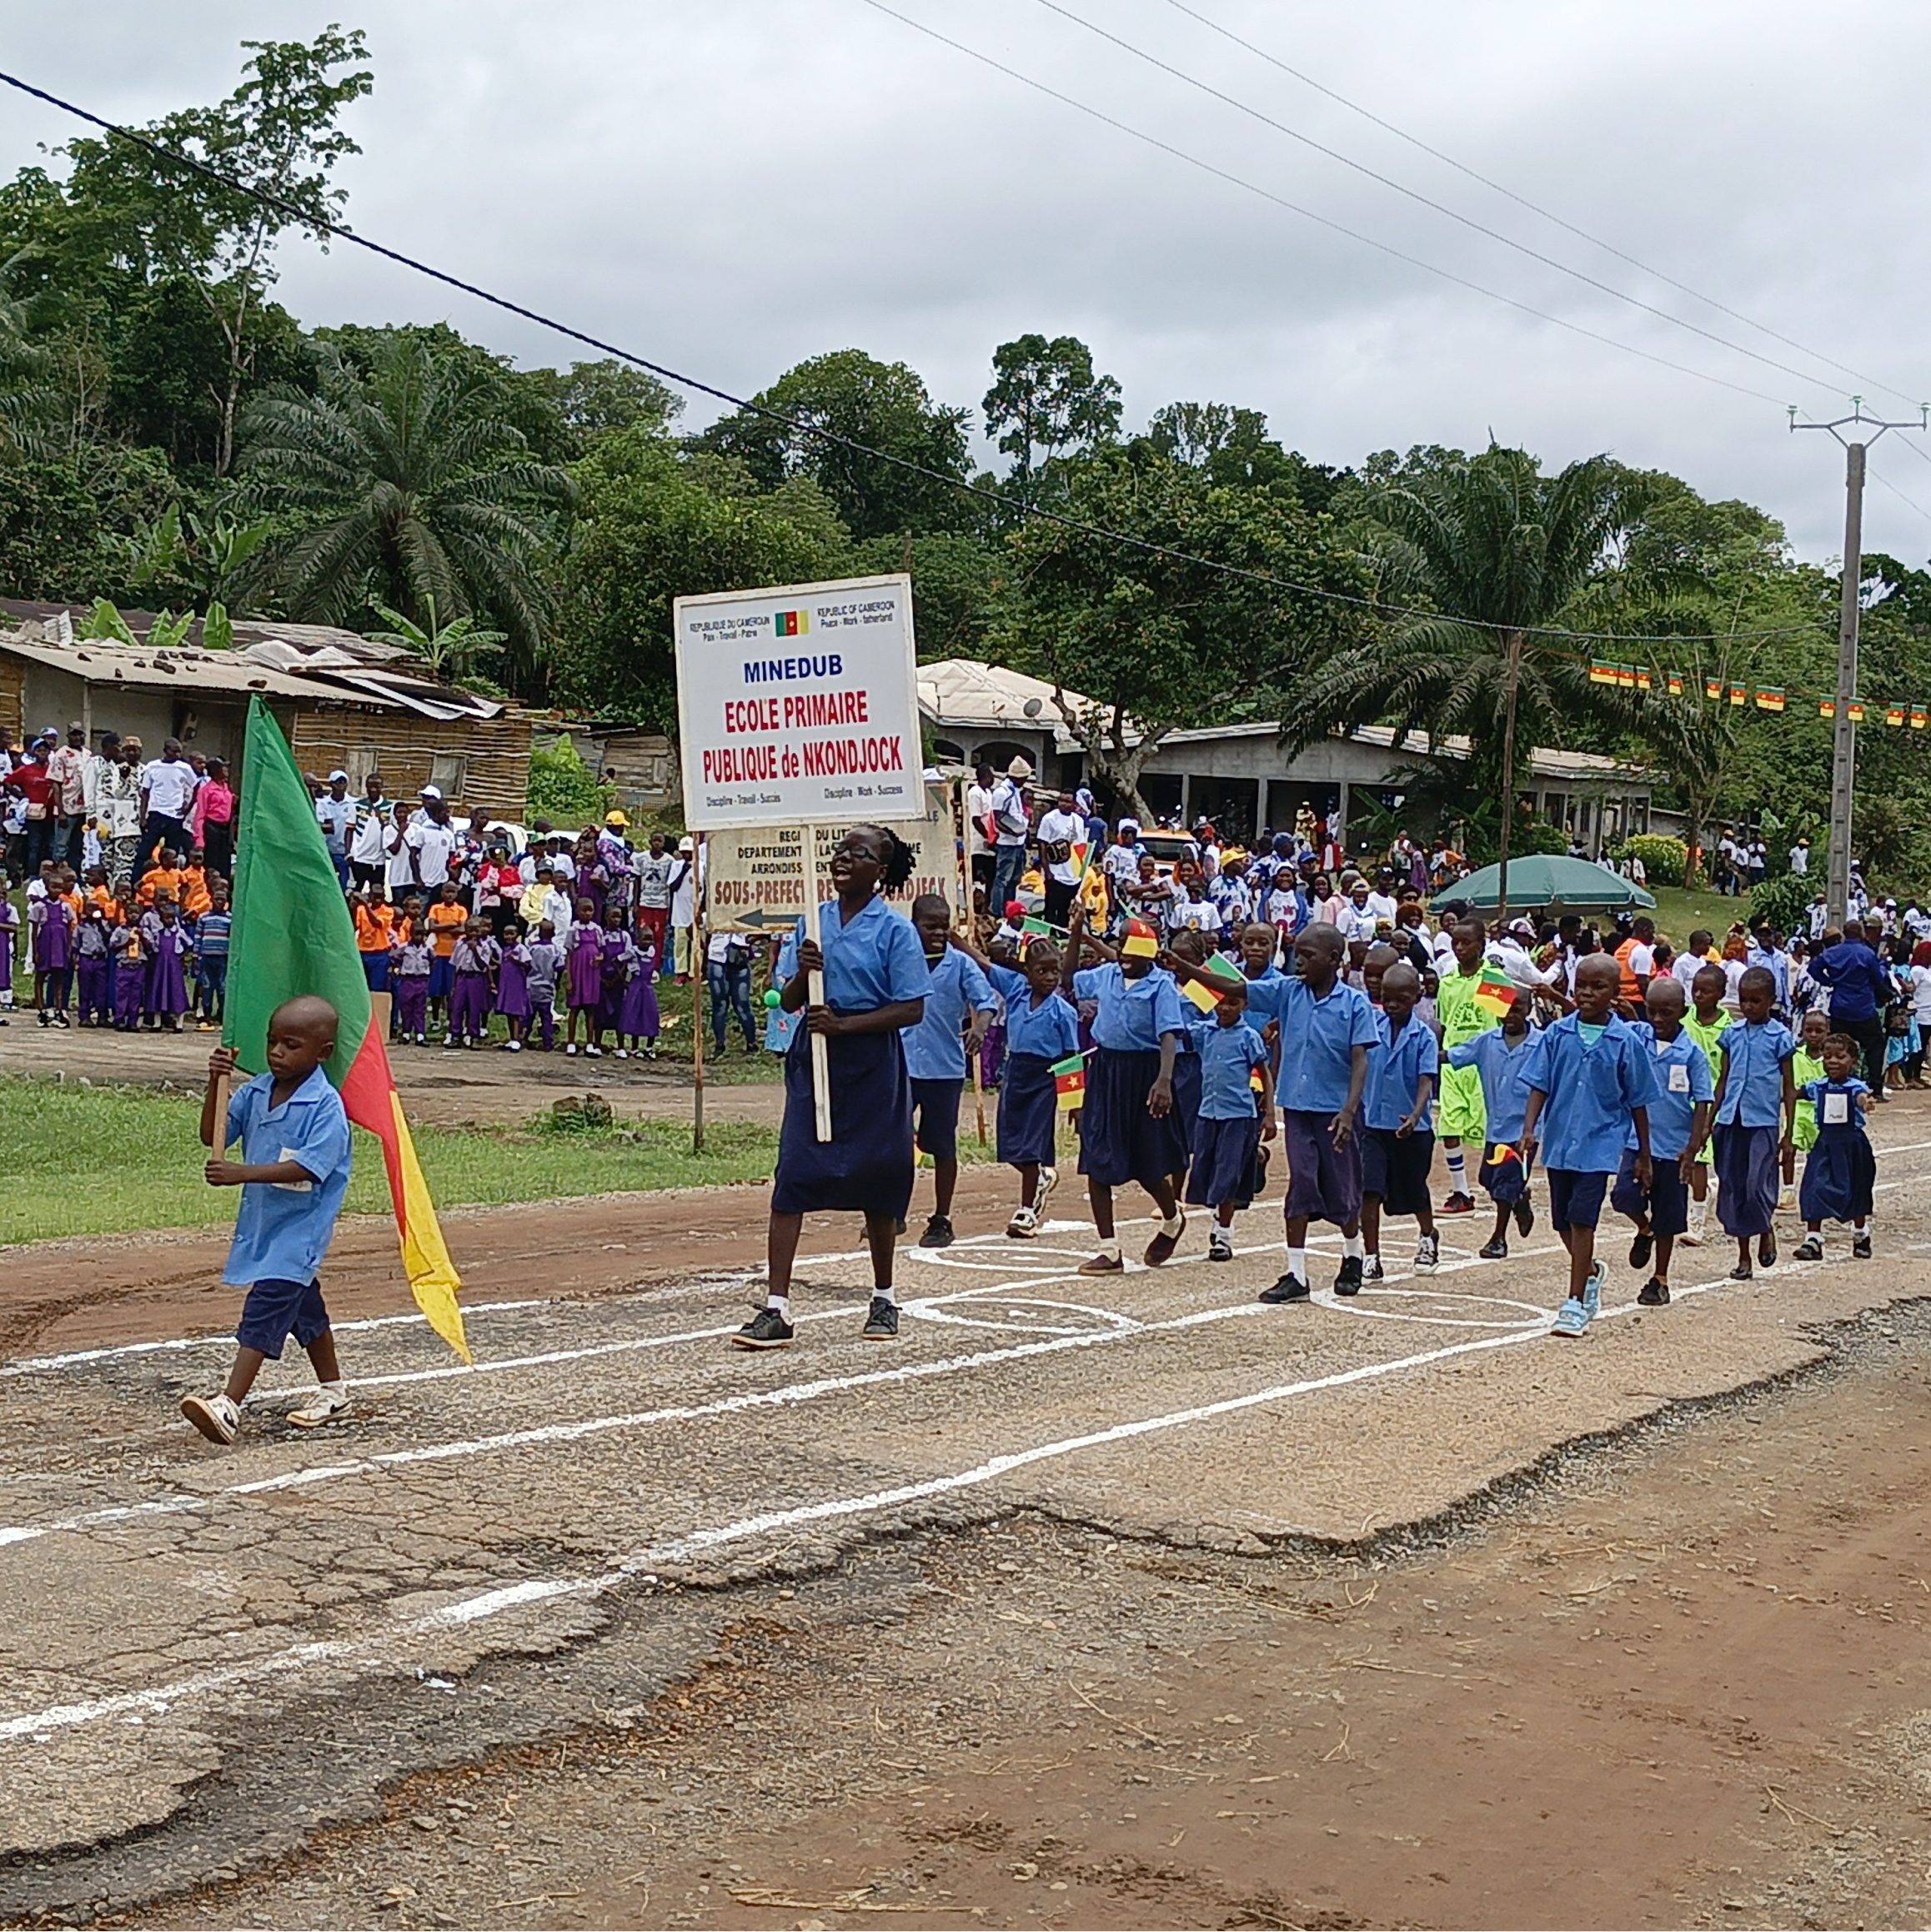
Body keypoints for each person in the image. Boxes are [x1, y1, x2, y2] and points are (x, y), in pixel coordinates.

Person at [735, 824, 926, 1350]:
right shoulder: (812, 920)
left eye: (857, 853)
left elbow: (911, 1006)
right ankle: (777, 1307)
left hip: (870, 1062)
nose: (843, 858)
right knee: (795, 1173)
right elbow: (793, 1001)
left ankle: (884, 1297)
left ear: (880, 871)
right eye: (839, 850)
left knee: (879, 1177)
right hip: (814, 1057)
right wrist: (802, 970)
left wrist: (845, 1026)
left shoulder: (895, 931)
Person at [179, 1000, 356, 1443]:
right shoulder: (256, 1092)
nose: (277, 1052)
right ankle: (333, 1391)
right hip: (266, 1225)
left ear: (323, 1052)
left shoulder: (326, 1106)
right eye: (272, 1042)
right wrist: (217, 1081)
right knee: (304, 1308)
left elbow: (311, 1167)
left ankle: (229, 1406)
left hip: (300, 1231)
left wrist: (242, 1173)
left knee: (268, 1305)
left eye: (291, 1045)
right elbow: (213, 1134)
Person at [1518, 953, 1658, 1338]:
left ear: (1615, 994)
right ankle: (1593, 1271)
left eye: (1598, 987)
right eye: (1581, 985)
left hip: (1600, 1145)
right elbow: (1539, 1085)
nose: (1587, 993)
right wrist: (1529, 1129)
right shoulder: (1557, 1035)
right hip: (1561, 1141)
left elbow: (1640, 1101)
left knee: (1583, 1219)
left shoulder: (1626, 1042)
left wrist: (1644, 1155)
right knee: (1561, 1221)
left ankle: (1574, 1302)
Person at [1061, 905, 1189, 1274]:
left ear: (1148, 953)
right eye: (1121, 948)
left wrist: (1164, 1080)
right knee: (1097, 1157)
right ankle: (1110, 1249)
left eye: (1132, 950)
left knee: (1147, 1162)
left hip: (1144, 1073)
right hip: (1106, 1069)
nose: (1124, 956)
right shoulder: (1107, 975)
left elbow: (1169, 1036)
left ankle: (1172, 1216)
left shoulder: (1161, 985)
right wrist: (1076, 932)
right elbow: (1069, 979)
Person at [1260, 921, 1380, 1303]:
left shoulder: (1355, 1004)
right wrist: (1185, 967)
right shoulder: (1288, 992)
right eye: (1298, 955)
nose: (1299, 963)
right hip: (1298, 1107)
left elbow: (1360, 1060)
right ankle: (1296, 1273)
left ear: (1333, 960)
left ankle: (1352, 1256)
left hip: (1336, 1113)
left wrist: (1349, 1110)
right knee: (1301, 1184)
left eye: (1308, 956)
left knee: (1343, 1189)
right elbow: (1237, 989)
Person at [965, 931, 1077, 1239]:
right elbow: (982, 963)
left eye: (1055, 970)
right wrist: (953, 938)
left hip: (1044, 1078)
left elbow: (1071, 1060)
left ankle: (1027, 1211)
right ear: (1027, 972)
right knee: (1010, 1145)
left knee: (1030, 1147)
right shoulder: (1015, 989)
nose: (1050, 977)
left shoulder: (1063, 1012)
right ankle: (1040, 1177)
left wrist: (1074, 1105)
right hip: (1016, 1073)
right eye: (1042, 971)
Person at [1610, 976, 1714, 1307]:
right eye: (1651, 1012)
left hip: (1673, 1147)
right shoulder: (1638, 1038)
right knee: (1623, 1196)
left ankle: (1660, 1278)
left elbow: (1702, 1101)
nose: (1657, 1020)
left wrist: (1693, 1147)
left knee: (1669, 1214)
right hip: (1637, 1142)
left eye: (1665, 1013)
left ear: (1682, 1012)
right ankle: (1644, 1229)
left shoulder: (1692, 1054)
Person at [902, 894, 998, 1248]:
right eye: (931, 926)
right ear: (915, 925)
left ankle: (942, 1218)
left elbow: (985, 1001)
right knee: (896, 1142)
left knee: (941, 1145)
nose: (939, 932)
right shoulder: (901, 960)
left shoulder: (959, 964)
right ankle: (894, 1211)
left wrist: (980, 1027)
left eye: (945, 926)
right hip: (902, 1066)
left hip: (944, 1069)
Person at [1709, 964, 1797, 1282]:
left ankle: (1765, 1226)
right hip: (1730, 1119)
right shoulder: (1731, 1035)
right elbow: (1723, 1080)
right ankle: (1743, 1256)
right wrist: (1710, 1119)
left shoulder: (1780, 1037)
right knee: (1732, 1186)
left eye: (1756, 1001)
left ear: (1771, 1000)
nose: (1748, 1007)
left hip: (1762, 1121)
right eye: (1744, 1000)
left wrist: (1788, 1131)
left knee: (1756, 1183)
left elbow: (1788, 1086)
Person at [1182, 976, 1276, 1261]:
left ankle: (1223, 1235)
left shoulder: (1248, 1037)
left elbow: (1264, 1072)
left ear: (1244, 1005)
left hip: (1238, 1115)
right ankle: (1255, 1155)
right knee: (1206, 1169)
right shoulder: (1204, 1032)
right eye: (1220, 1003)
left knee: (1227, 1175)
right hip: (1208, 1113)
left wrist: (1268, 1111)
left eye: (1232, 1003)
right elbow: (1177, 1029)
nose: (1225, 1009)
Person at [1359, 961, 1440, 1280]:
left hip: (1412, 1130)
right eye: (1387, 998)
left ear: (1416, 997)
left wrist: (1417, 1115)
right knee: (1370, 1190)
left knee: (1414, 1189)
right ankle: (1371, 1255)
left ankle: (1427, 1236)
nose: (1392, 1005)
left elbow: (1426, 1081)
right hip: (1374, 1124)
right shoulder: (1371, 1031)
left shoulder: (1424, 1037)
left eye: (1401, 999)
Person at [1447, 998, 1539, 1260]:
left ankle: (1499, 1238)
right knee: (1487, 1178)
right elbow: (1455, 1056)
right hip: (1496, 1128)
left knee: (1504, 1185)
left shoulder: (1542, 1044)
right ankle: (1520, 1198)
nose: (1510, 1016)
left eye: (1517, 1010)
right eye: (1506, 1010)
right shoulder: (1487, 1041)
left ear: (1528, 1010)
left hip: (1525, 1131)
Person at [1793, 1033, 1874, 1262]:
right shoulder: (1818, 1086)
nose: (1833, 1061)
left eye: (1841, 1056)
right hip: (1825, 1143)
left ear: (1853, 1061)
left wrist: (1866, 1103)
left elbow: (1861, 1097)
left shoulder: (1856, 1086)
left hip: (1852, 1145)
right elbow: (1795, 1092)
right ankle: (1813, 1238)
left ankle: (1860, 1234)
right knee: (1814, 1186)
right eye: (1827, 1056)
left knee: (1856, 1189)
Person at [1434, 918, 1496, 1214]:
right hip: (1453, 1063)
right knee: (1449, 1126)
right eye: (1455, 942)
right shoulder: (1448, 983)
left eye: (1466, 942)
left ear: (1480, 945)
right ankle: (1461, 1191)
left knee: (1492, 1129)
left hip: (1486, 1064)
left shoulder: (1493, 979)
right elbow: (1444, 1024)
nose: (1459, 948)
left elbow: (1507, 1022)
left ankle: (1506, 1185)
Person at [1808, 920, 1891, 1096]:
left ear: (1845, 933)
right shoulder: (1867, 954)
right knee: (1875, 1045)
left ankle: (1836, 1083)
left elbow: (1813, 968)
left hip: (1840, 1008)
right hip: (1864, 1009)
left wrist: (1829, 981)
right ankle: (1875, 1087)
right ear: (1860, 933)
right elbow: (1877, 980)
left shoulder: (1832, 953)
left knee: (1837, 1047)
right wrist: (1887, 993)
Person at [139, 737, 199, 877]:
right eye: (174, 751)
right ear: (166, 750)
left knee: (172, 855)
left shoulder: (184, 768)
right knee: (144, 853)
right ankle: (140, 882)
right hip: (156, 814)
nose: (177, 755)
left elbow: (196, 787)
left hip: (175, 817)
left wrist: (187, 807)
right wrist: (143, 816)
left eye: (179, 752)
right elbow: (145, 792)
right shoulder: (152, 766)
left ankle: (171, 885)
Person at [989, 757, 1033, 916]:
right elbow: (996, 818)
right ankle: (997, 911)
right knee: (1002, 879)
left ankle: (1009, 910)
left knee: (1014, 881)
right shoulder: (1002, 792)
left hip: (1018, 842)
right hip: (1007, 843)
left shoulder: (1014, 792)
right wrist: (1012, 831)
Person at [446, 916, 499, 1048]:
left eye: (476, 930)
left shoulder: (485, 946)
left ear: (481, 930)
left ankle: (473, 1035)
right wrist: (453, 986)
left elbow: (483, 966)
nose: (473, 934)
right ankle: (455, 1035)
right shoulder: (459, 944)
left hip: (477, 977)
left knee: (475, 1008)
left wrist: (475, 950)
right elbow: (456, 966)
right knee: (457, 1007)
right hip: (462, 977)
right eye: (470, 930)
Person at [1036, 790, 1086, 926]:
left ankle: (1062, 936)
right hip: (1055, 873)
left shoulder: (1079, 821)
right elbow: (1042, 845)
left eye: (1068, 801)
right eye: (1061, 800)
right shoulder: (1049, 819)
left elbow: (1081, 846)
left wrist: (1081, 872)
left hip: (1072, 873)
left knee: (1065, 910)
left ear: (1074, 804)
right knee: (1051, 908)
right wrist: (1047, 870)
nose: (1063, 804)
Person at [705, 927, 757, 1056]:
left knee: (742, 1005)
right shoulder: (712, 914)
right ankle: (719, 1044)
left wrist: (746, 942)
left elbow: (761, 929)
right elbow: (693, 928)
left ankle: (751, 1043)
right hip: (717, 958)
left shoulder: (745, 913)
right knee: (720, 1005)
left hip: (739, 958)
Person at [29, 881, 75, 1026]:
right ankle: (41, 1010)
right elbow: (34, 931)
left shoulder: (65, 907)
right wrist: (35, 951)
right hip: (45, 945)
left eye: (59, 887)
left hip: (59, 946)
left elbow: (69, 929)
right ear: (47, 888)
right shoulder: (39, 906)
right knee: (40, 977)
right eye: (53, 887)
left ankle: (59, 1010)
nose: (56, 890)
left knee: (58, 978)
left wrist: (68, 949)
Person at [564, 896, 604, 1056]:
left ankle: (589, 1042)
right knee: (574, 1008)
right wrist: (569, 978)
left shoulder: (597, 930)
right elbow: (569, 954)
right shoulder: (573, 930)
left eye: (590, 910)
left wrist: (600, 958)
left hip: (592, 973)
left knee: (590, 1009)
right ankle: (571, 1043)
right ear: (577, 911)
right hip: (577, 971)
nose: (588, 914)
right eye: (584, 910)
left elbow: (602, 951)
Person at [424, 881, 466, 1031]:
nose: (450, 895)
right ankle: (435, 1019)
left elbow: (462, 929)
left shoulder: (461, 910)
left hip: (453, 955)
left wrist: (440, 928)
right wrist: (451, 926)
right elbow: (431, 927)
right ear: (442, 893)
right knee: (435, 990)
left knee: (450, 990)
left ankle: (450, 1018)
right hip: (437, 953)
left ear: (457, 894)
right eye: (447, 891)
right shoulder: (435, 908)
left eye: (452, 892)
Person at [634, 831, 677, 976]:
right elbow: (637, 881)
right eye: (655, 840)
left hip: (661, 903)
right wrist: (635, 903)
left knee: (659, 936)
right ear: (650, 842)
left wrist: (671, 906)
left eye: (660, 841)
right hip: (645, 902)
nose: (657, 843)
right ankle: (641, 961)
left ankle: (655, 965)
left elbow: (671, 885)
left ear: (664, 843)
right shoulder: (642, 858)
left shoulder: (669, 861)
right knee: (643, 933)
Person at [619, 925, 662, 1056]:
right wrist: (622, 979)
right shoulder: (633, 951)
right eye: (645, 939)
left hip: (648, 987)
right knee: (635, 1015)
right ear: (638, 939)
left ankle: (649, 1047)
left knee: (651, 1015)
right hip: (636, 986)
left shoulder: (652, 952)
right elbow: (618, 960)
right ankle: (635, 1047)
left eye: (650, 939)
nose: (648, 942)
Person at [194, 885, 232, 1030]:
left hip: (222, 958)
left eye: (222, 899)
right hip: (206, 957)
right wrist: (196, 956)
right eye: (217, 899)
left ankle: (222, 1017)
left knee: (222, 987)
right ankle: (206, 1017)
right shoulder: (203, 917)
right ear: (212, 899)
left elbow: (232, 938)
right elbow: (198, 937)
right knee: (207, 987)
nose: (219, 902)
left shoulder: (230, 918)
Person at [523, 920, 563, 1052]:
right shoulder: (555, 950)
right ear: (553, 934)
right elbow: (559, 967)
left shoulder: (532, 948)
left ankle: (523, 1037)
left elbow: (526, 965)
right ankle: (548, 1043)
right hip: (548, 985)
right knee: (546, 1016)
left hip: (532, 985)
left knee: (529, 1015)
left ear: (539, 934)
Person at [393, 926, 434, 1046]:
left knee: (420, 1009)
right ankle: (406, 1033)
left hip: (421, 980)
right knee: (406, 1007)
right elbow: (394, 957)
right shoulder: (404, 948)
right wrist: (398, 969)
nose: (419, 937)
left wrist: (428, 973)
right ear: (411, 933)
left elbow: (433, 961)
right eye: (416, 934)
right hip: (407, 980)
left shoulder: (428, 949)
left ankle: (420, 1035)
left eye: (421, 934)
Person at [966, 761, 997, 896]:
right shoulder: (974, 793)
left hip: (990, 844)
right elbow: (976, 819)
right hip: (978, 843)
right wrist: (987, 836)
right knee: (977, 878)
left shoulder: (989, 793)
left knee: (991, 877)